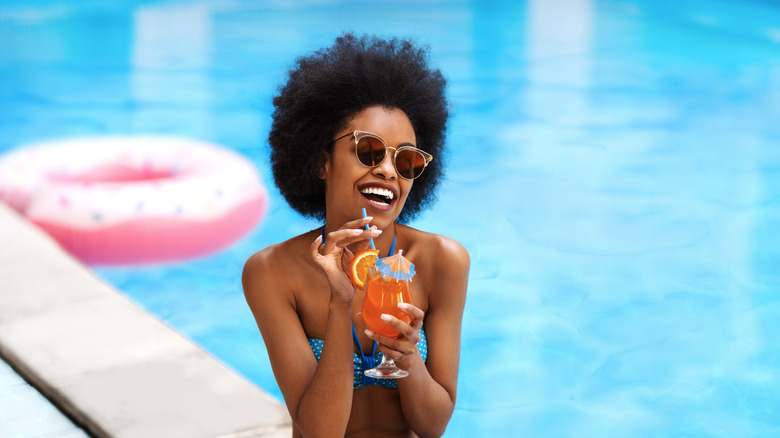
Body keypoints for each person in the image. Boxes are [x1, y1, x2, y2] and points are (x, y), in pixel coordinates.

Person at [242, 33, 469, 438]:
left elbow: (433, 425)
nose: (387, 170)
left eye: (407, 160)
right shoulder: (272, 272)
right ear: (320, 161)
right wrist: (339, 304)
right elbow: (320, 430)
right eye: (368, 151)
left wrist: (408, 359)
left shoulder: (442, 261)